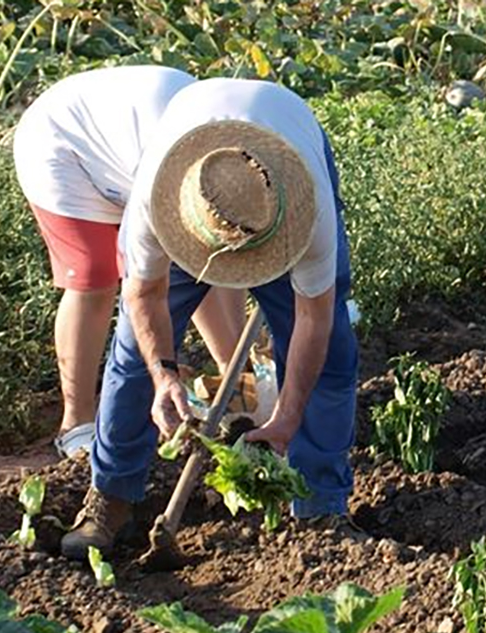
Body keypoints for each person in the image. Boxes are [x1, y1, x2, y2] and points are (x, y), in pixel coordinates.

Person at [59, 77, 359, 560]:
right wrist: (164, 377)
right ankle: (110, 499)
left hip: (286, 141)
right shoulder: (156, 203)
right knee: (136, 352)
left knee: (332, 358)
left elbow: (314, 319)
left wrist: (287, 416)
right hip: (193, 160)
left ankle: (321, 507)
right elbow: (143, 294)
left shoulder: (309, 214)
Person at [13, 66, 247, 458]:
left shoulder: (238, 161)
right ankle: (76, 422)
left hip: (124, 133)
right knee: (93, 278)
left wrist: (236, 369)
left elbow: (225, 264)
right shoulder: (167, 169)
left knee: (225, 249)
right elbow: (160, 279)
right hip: (61, 142)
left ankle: (233, 385)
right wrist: (170, 371)